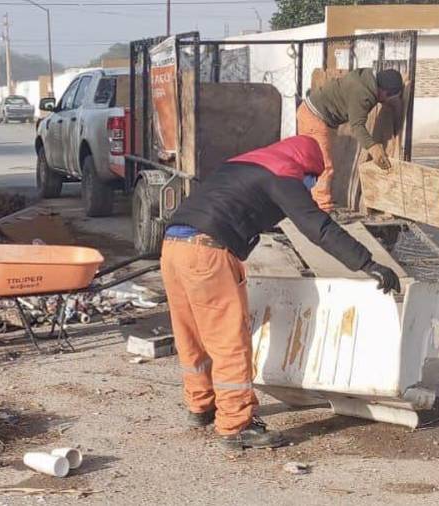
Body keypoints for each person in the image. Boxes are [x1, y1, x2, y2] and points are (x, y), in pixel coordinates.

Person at [161, 135, 401, 452]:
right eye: (311, 178)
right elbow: (319, 227)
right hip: (208, 253)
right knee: (229, 341)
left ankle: (200, 404)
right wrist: (367, 262)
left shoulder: (243, 164)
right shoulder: (283, 175)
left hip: (172, 247)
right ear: (304, 167)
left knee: (190, 335)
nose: (310, 184)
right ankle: (237, 425)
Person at [297, 68, 405, 211]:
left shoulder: (365, 80)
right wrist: (373, 147)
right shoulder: (362, 94)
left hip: (312, 114)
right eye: (389, 98)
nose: (386, 102)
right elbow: (357, 126)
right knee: (324, 167)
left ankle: (304, 203)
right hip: (314, 118)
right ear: (384, 92)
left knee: (312, 165)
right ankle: (322, 211)